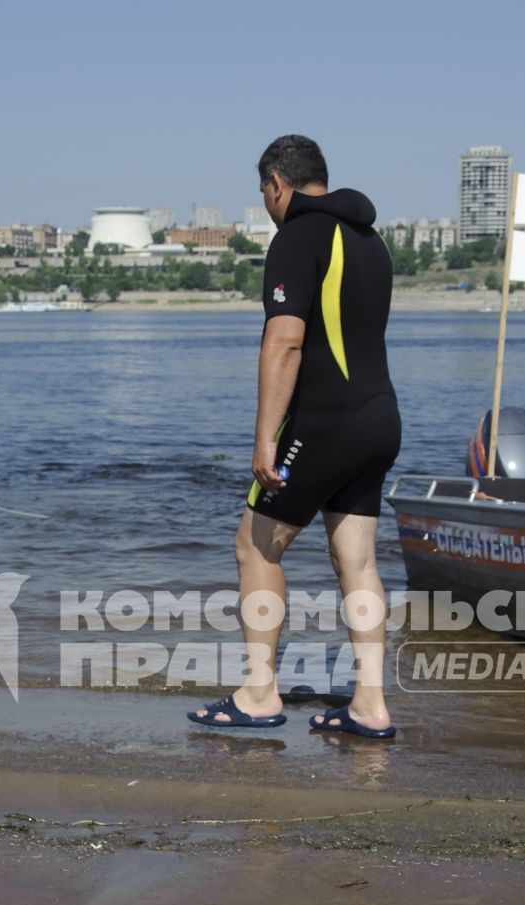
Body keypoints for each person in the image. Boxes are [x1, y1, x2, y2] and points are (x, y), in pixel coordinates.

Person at [187, 135, 399, 739]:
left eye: (264, 194)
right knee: (356, 560)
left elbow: (285, 341)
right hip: (380, 416)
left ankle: (257, 694)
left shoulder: (296, 237)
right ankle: (370, 706)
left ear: (278, 182)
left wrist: (264, 438)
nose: (266, 204)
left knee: (256, 545)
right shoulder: (370, 240)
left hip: (326, 420)